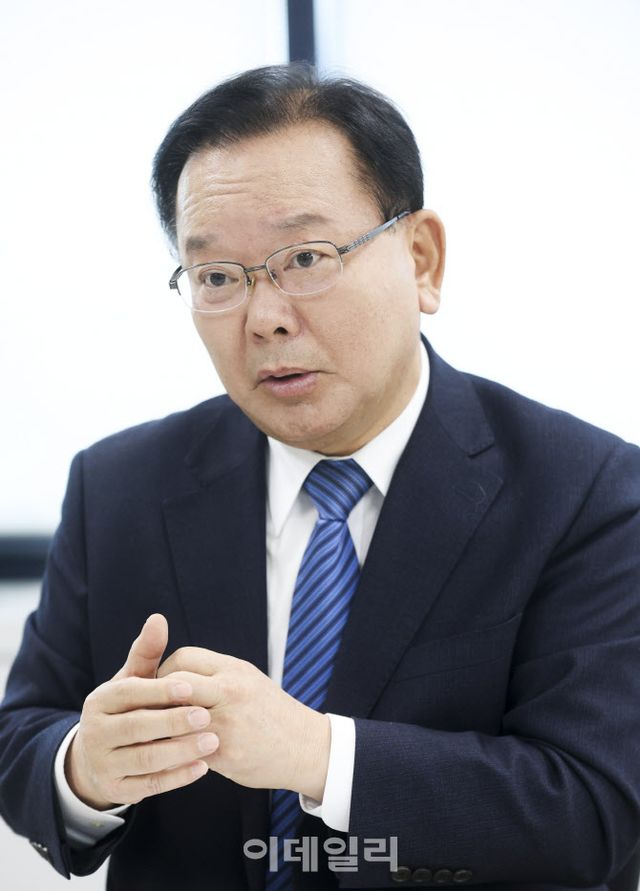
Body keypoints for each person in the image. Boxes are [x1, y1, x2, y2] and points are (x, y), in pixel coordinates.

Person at [1, 63, 639, 891]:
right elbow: (23, 739)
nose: (265, 317)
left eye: (306, 257)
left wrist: (316, 754)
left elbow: (595, 810)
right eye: (217, 277)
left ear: (422, 259)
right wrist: (85, 768)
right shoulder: (118, 485)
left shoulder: (586, 490)